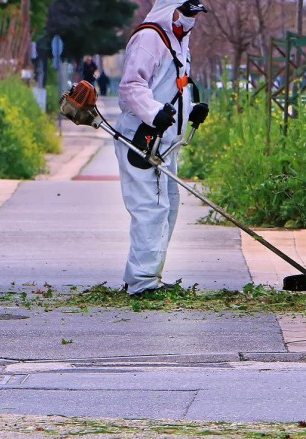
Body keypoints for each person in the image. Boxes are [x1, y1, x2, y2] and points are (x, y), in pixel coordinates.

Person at [115, 0, 209, 295]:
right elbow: (132, 86)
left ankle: (143, 276)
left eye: (195, 14)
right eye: (187, 12)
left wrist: (191, 109)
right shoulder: (149, 38)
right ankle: (143, 283)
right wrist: (153, 112)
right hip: (142, 136)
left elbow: (169, 87)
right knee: (150, 209)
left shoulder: (178, 41)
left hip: (165, 142)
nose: (191, 19)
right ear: (171, 7)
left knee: (167, 208)